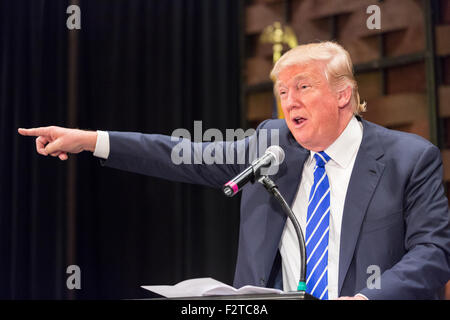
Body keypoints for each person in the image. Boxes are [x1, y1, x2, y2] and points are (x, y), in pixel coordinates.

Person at [18, 41, 450, 300]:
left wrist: (367, 297)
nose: (290, 101)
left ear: (343, 95)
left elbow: (432, 253)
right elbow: (181, 154)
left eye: (303, 87)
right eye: (283, 91)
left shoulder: (409, 158)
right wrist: (92, 140)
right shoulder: (273, 143)